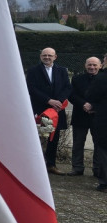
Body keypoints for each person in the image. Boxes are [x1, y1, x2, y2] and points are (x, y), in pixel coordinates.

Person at [25, 47, 72, 175]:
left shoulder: (62, 71)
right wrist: (48, 100)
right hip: (39, 109)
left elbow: (67, 88)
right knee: (36, 138)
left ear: (55, 57)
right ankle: (33, 166)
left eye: (49, 55)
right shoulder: (33, 70)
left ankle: (51, 165)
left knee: (53, 138)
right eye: (44, 55)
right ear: (40, 56)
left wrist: (59, 101)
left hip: (57, 110)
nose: (47, 57)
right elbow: (31, 88)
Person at [68, 56, 101, 177]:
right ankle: (77, 168)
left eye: (94, 65)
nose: (92, 67)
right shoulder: (76, 79)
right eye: (89, 64)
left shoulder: (103, 79)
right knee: (78, 143)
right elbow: (71, 95)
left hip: (98, 117)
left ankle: (98, 169)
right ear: (85, 65)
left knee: (98, 144)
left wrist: (94, 106)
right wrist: (83, 104)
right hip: (80, 115)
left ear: (100, 66)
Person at [84, 54, 107, 192]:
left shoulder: (102, 78)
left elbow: (91, 95)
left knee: (103, 151)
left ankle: (104, 182)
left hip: (104, 119)